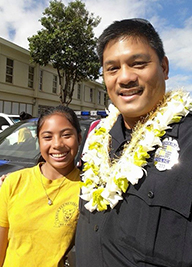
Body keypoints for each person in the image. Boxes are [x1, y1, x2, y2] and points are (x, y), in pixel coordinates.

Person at [75, 18, 192, 266]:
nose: (125, 78)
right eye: (112, 69)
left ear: (164, 67)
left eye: (138, 64)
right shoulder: (97, 137)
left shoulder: (189, 139)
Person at [0, 105, 82, 267]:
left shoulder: (88, 189)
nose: (57, 144)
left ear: (79, 138)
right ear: (38, 141)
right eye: (47, 137)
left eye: (66, 135)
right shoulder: (14, 183)